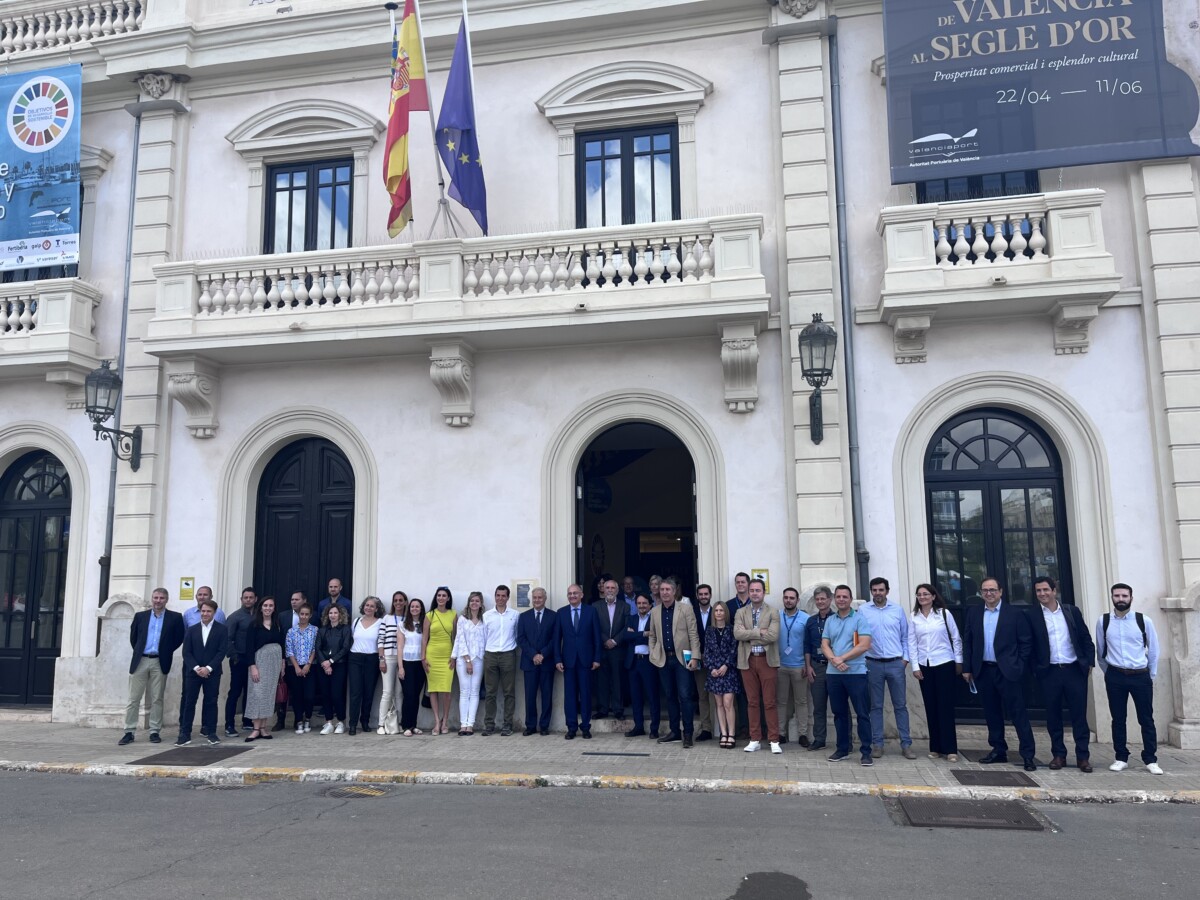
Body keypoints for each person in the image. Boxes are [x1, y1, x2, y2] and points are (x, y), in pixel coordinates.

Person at [962, 577, 1038, 771]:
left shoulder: (1015, 614)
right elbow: (968, 642)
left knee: (1018, 713)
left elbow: (1026, 643)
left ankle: (1028, 754)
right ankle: (998, 750)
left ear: (1001, 591)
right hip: (984, 671)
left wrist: (1019, 666)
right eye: (985, 590)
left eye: (993, 590)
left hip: (1008, 671)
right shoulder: (974, 612)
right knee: (991, 713)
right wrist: (967, 668)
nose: (989, 594)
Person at [1029, 576, 1095, 772]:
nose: (1042, 594)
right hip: (1049, 672)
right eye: (1038, 591)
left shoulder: (1071, 611)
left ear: (1054, 590)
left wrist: (1088, 664)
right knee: (1053, 716)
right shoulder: (1032, 615)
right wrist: (1036, 668)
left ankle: (1083, 757)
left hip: (1074, 670)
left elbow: (1085, 638)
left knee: (1079, 716)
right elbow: (1029, 644)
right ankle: (1059, 755)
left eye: (1045, 590)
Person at [1096, 582, 1163, 774]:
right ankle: (1121, 757)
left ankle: (1150, 759)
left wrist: (1150, 674)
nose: (1121, 599)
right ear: (1112, 598)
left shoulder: (1144, 621)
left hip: (1140, 676)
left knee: (1146, 719)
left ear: (1131, 598)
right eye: (1117, 596)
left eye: (1124, 596)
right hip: (1115, 675)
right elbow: (1100, 651)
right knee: (1118, 718)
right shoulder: (1104, 621)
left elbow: (1154, 650)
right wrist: (1109, 672)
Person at [119, 587, 185, 746]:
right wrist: (140, 651)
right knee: (134, 698)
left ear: (166, 600)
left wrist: (165, 651)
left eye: (162, 598)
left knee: (157, 698)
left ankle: (154, 731)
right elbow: (134, 638)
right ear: (152, 598)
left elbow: (178, 638)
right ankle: (129, 731)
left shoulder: (175, 618)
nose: (158, 601)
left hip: (159, 661)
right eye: (156, 597)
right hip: (140, 660)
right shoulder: (140, 616)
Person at [860, 576, 915, 760]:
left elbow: (905, 637)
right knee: (875, 707)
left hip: (895, 664)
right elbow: (858, 636)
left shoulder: (897, 610)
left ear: (887, 591)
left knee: (900, 706)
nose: (877, 593)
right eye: (874, 590)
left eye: (881, 590)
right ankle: (878, 745)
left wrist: (905, 661)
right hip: (872, 663)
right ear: (871, 592)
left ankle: (906, 744)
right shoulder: (863, 610)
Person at [908, 583, 962, 761]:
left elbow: (956, 638)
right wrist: (915, 667)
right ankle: (935, 747)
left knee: (945, 706)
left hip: (944, 662)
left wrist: (959, 662)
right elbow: (912, 643)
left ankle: (951, 749)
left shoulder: (944, 614)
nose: (922, 597)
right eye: (919, 594)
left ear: (933, 596)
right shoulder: (914, 617)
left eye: (925, 594)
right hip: (925, 665)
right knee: (931, 707)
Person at [821, 584, 874, 766]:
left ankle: (866, 752)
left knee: (862, 713)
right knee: (839, 713)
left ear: (850, 599)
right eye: (838, 597)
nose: (841, 599)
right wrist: (834, 660)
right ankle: (843, 749)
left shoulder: (860, 620)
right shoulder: (830, 621)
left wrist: (841, 658)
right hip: (834, 674)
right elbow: (825, 644)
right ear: (834, 599)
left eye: (845, 596)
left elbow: (864, 645)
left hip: (856, 673)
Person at [648, 578, 701, 748]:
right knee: (670, 696)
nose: (664, 592)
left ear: (674, 591)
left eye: (667, 589)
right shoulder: (655, 611)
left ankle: (687, 733)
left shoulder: (685, 609)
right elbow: (652, 636)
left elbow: (693, 634)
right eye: (662, 589)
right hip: (664, 659)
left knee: (685, 696)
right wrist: (653, 654)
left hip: (682, 659)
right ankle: (674, 731)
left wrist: (695, 657)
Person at [734, 577, 782, 754]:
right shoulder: (741, 612)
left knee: (769, 702)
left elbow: (773, 636)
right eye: (752, 590)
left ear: (763, 592)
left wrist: (750, 634)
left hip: (766, 660)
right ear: (748, 592)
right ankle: (755, 739)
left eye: (758, 590)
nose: (754, 593)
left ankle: (774, 739)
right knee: (752, 701)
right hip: (747, 660)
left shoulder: (773, 612)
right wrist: (759, 632)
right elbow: (737, 634)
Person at [177, 596, 227, 746]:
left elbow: (221, 651)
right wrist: (197, 668)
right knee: (189, 702)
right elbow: (186, 652)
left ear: (214, 612)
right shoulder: (192, 630)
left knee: (211, 702)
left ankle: (211, 733)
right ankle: (185, 734)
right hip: (193, 672)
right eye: (203, 611)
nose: (205, 614)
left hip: (212, 672)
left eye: (208, 611)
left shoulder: (222, 629)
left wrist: (208, 668)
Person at [556, 583, 601, 739]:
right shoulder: (561, 613)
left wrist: (597, 658)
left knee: (586, 695)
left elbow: (596, 637)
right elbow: (557, 639)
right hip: (568, 661)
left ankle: (586, 727)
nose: (572, 596)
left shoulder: (591, 611)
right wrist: (557, 659)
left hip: (586, 660)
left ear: (581, 595)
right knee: (570, 696)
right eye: (569, 593)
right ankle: (571, 727)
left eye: (575, 593)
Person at [244, 595, 286, 741]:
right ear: (260, 608)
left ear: (274, 608)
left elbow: (282, 643)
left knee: (268, 695)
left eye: (271, 606)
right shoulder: (254, 624)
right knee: (257, 693)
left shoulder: (277, 624)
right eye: (265, 605)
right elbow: (249, 647)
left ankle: (263, 728)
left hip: (274, 664)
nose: (268, 608)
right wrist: (252, 666)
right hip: (259, 662)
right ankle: (255, 728)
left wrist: (282, 662)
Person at [518, 586, 557, 735]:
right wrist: (534, 655)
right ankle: (531, 726)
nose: (537, 600)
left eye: (540, 597)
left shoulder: (553, 616)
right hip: (529, 662)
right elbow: (521, 639)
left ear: (545, 599)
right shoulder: (524, 617)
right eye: (534, 597)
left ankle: (545, 726)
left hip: (547, 662)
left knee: (547, 695)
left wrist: (543, 655)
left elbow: (555, 639)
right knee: (530, 696)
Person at [482, 584, 520, 735]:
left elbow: (517, 635)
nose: (500, 598)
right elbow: (484, 636)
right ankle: (489, 724)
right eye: (498, 595)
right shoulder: (487, 616)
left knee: (509, 692)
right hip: (490, 655)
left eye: (503, 596)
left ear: (508, 597)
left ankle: (507, 724)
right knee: (490, 692)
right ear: (495, 596)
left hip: (508, 655)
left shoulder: (515, 615)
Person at [622, 593, 660, 738]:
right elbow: (626, 636)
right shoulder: (631, 619)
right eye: (639, 603)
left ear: (650, 605)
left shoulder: (654, 619)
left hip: (649, 662)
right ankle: (638, 727)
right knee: (635, 696)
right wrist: (644, 634)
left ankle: (654, 728)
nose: (642, 606)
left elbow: (654, 636)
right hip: (633, 662)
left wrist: (635, 635)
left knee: (652, 695)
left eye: (644, 603)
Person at [776, 586, 810, 747]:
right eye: (786, 597)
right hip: (780, 666)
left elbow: (808, 643)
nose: (788, 600)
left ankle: (803, 734)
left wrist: (806, 664)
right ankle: (781, 733)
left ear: (797, 600)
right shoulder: (776, 616)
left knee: (801, 701)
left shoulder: (805, 618)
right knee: (782, 701)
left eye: (792, 598)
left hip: (799, 667)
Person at [703, 600, 740, 748]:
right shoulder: (709, 631)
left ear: (725, 613)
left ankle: (731, 734)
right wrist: (712, 667)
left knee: (728, 703)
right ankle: (723, 733)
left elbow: (734, 650)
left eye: (721, 610)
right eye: (716, 611)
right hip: (714, 673)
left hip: (729, 672)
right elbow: (707, 652)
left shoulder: (731, 630)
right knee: (718, 704)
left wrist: (726, 665)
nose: (718, 613)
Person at [346, 596, 384, 735]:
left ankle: (365, 721)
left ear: (377, 609)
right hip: (355, 658)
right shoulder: (356, 621)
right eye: (367, 605)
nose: (368, 608)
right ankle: (352, 724)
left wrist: (381, 659)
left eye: (372, 606)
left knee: (369, 692)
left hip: (372, 659)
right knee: (355, 692)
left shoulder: (380, 623)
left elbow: (381, 642)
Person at [803, 585, 835, 751]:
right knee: (819, 706)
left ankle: (846, 740)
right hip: (817, 667)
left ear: (830, 600)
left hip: (835, 667)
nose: (820, 602)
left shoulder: (837, 619)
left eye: (823, 598)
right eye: (818, 599)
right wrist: (808, 667)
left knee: (839, 706)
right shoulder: (810, 621)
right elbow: (807, 646)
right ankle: (819, 739)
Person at [223, 587, 258, 737]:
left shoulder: (259, 616)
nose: (248, 600)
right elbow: (227, 638)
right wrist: (235, 657)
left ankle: (247, 720)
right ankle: (229, 724)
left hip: (254, 660)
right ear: (241, 599)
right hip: (239, 659)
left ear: (255, 599)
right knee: (235, 692)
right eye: (246, 597)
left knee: (250, 691)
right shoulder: (235, 617)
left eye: (251, 597)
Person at [423, 587, 457, 735]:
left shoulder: (454, 614)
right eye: (439, 595)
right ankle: (437, 721)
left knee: (446, 690)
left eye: (444, 596)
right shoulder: (429, 615)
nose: (441, 598)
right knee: (433, 690)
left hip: (448, 656)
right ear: (436, 598)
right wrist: (423, 657)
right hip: (432, 655)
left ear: (448, 598)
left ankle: (446, 721)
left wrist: (454, 656)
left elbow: (455, 638)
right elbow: (424, 639)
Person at [593, 578, 628, 722]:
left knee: (617, 680)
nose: (609, 590)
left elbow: (627, 627)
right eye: (607, 588)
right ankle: (603, 709)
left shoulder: (625, 607)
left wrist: (614, 641)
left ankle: (618, 709)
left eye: (612, 588)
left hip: (618, 649)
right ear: (603, 589)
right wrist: (605, 640)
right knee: (602, 680)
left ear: (617, 590)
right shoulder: (595, 606)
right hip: (601, 648)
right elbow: (594, 627)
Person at [453, 591, 487, 735]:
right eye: (472, 600)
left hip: (479, 659)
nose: (474, 603)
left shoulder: (484, 620)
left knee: (474, 692)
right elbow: (460, 640)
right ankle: (463, 724)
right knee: (464, 691)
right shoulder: (462, 619)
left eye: (477, 601)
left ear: (481, 604)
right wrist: (467, 660)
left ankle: (470, 724)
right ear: (468, 603)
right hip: (463, 659)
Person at [274, 591, 308, 731]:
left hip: (304, 661)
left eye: (297, 599)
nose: (293, 602)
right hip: (286, 660)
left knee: (299, 691)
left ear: (304, 600)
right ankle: (280, 720)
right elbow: (280, 637)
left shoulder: (312, 616)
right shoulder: (283, 616)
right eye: (292, 599)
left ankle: (298, 719)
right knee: (283, 689)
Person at [317, 603, 352, 734]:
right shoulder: (322, 630)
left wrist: (331, 661)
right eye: (330, 613)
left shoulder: (346, 629)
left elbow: (345, 647)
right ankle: (329, 722)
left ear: (340, 615)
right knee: (325, 695)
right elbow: (318, 648)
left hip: (339, 665)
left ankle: (341, 722)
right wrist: (325, 663)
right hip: (323, 666)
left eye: (335, 613)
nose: (333, 615)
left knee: (337, 694)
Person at [285, 602, 319, 734]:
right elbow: (289, 650)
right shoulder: (291, 631)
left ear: (310, 615)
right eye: (301, 614)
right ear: (298, 615)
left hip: (310, 667)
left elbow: (315, 648)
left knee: (309, 696)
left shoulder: (315, 630)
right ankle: (299, 720)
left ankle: (308, 719)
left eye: (306, 614)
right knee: (297, 696)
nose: (303, 616)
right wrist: (296, 667)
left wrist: (308, 664)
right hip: (295, 667)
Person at [376, 591, 407, 735]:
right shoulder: (387, 618)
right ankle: (381, 724)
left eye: (401, 600)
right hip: (388, 657)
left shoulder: (408, 619)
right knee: (387, 692)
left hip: (403, 659)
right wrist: (381, 659)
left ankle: (398, 723)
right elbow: (380, 639)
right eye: (396, 600)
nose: (398, 603)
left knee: (399, 693)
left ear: (405, 602)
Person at [689, 584, 716, 741]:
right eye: (701, 594)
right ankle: (706, 728)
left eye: (706, 594)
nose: (704, 596)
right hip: (698, 658)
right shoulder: (691, 613)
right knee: (702, 695)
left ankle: (720, 728)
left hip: (715, 661)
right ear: (697, 596)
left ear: (710, 595)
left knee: (717, 696)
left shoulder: (717, 612)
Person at [399, 598, 427, 736]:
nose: (414, 608)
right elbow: (399, 646)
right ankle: (405, 725)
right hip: (407, 662)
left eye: (417, 606)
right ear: (409, 609)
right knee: (408, 694)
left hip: (420, 662)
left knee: (416, 695)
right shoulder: (403, 625)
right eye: (412, 606)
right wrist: (400, 667)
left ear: (421, 609)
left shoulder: (425, 624)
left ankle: (413, 725)